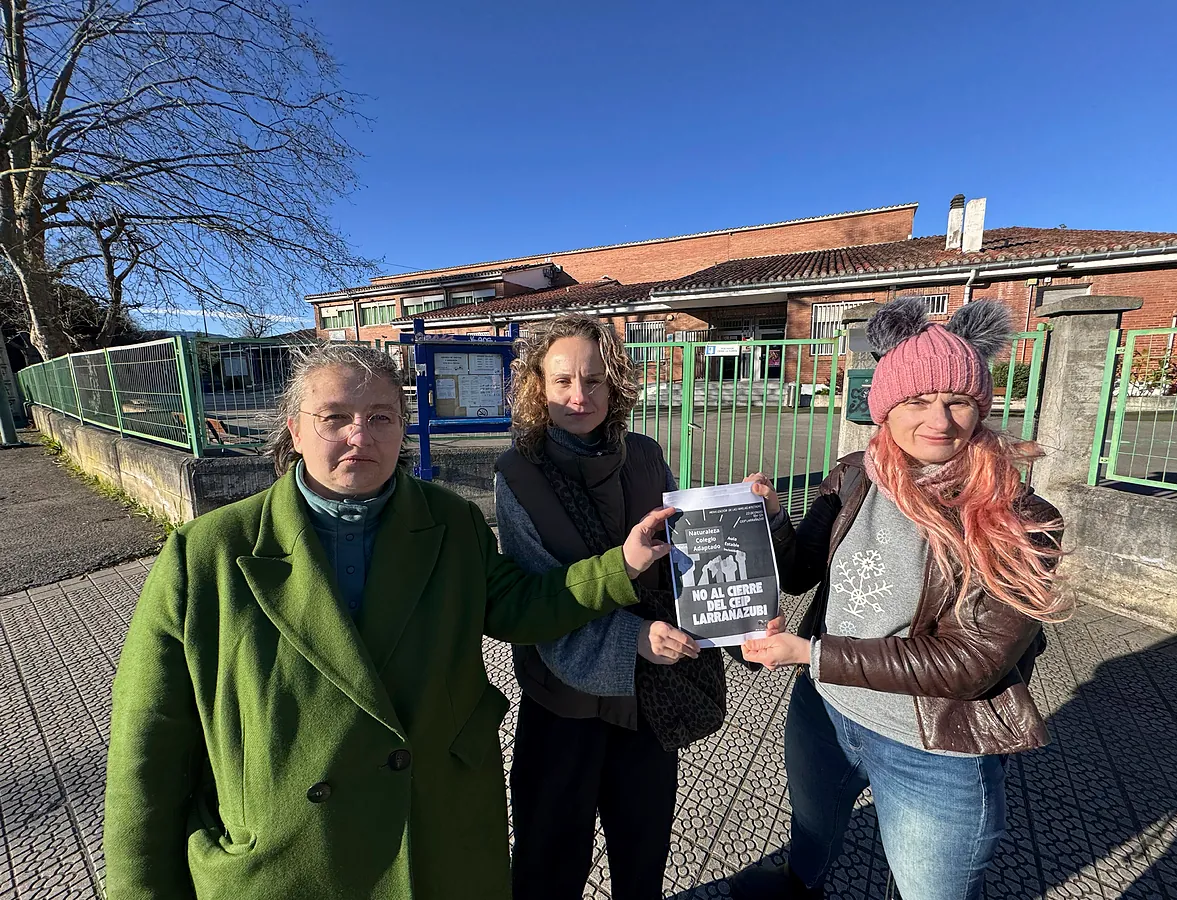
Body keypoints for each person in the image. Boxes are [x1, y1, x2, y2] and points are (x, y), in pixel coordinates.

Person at [102, 343, 674, 900]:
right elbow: (148, 749)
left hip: (434, 840)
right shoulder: (206, 554)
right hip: (288, 860)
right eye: (335, 417)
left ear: (402, 429)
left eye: (381, 417)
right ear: (295, 431)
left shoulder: (452, 522)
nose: (361, 436)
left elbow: (521, 605)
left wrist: (622, 565)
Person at [731, 297, 1070, 900]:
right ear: (885, 407)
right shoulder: (855, 474)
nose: (940, 419)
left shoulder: (1019, 519)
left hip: (934, 744)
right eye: (917, 400)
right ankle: (800, 883)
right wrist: (773, 520)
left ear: (981, 407)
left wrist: (809, 654)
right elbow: (802, 572)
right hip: (826, 709)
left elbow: (973, 663)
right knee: (812, 827)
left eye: (958, 400)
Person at [495, 314, 737, 900]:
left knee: (643, 851)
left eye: (594, 380)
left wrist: (748, 526)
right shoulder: (517, 474)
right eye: (562, 381)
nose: (579, 396)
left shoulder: (646, 456)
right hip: (562, 701)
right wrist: (631, 639)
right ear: (537, 386)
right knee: (548, 863)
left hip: (647, 700)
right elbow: (534, 599)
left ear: (615, 383)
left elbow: (690, 550)